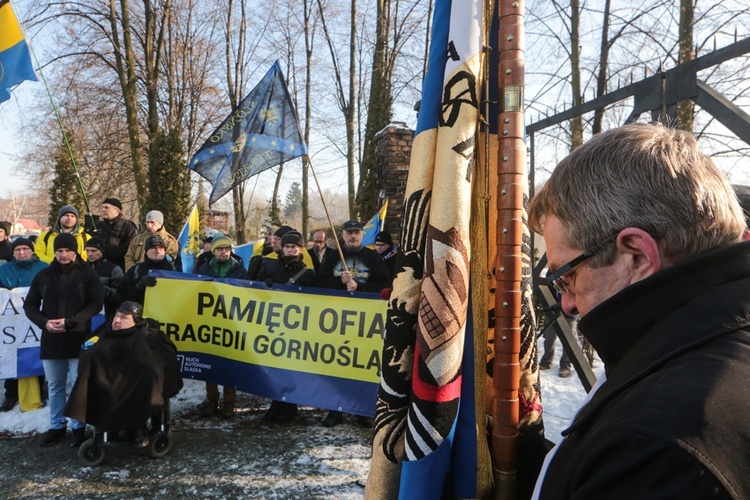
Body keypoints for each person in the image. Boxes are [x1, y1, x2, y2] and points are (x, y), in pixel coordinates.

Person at [527, 123, 750, 499]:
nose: (567, 302)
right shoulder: (710, 348)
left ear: (635, 255)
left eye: (567, 275)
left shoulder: (656, 442)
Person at [64, 301, 183, 448]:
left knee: (146, 381)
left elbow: (159, 363)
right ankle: (113, 427)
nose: (117, 320)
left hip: (136, 388)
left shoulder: (146, 336)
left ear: (136, 321)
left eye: (124, 318)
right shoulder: (104, 332)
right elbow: (88, 350)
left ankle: (138, 427)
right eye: (117, 316)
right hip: (105, 385)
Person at [23, 233, 104, 447]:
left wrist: (72, 321)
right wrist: (45, 322)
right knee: (55, 385)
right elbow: (29, 305)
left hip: (78, 338)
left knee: (79, 384)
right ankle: (57, 426)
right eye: (60, 251)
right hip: (51, 339)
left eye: (68, 250)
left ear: (75, 252)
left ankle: (78, 427)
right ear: (55, 252)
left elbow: (95, 303)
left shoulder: (87, 274)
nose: (64, 254)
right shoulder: (43, 276)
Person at [316, 220, 389, 427]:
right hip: (337, 321)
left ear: (362, 235)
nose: (353, 236)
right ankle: (334, 410)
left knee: (361, 365)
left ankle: (362, 411)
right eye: (349, 233)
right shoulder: (333, 257)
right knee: (336, 365)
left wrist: (360, 285)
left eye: (357, 233)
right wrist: (339, 283)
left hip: (365, 323)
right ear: (343, 235)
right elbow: (320, 284)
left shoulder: (373, 258)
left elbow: (385, 286)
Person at [252, 230, 316, 424]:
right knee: (276, 367)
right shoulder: (270, 265)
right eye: (287, 246)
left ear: (300, 249)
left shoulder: (307, 274)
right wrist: (264, 284)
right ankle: (276, 403)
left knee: (291, 368)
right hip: (272, 325)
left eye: (293, 247)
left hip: (296, 328)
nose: (289, 250)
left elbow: (315, 300)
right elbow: (254, 286)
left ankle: (289, 407)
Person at [195, 235, 246, 419]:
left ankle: (229, 402)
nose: (224, 252)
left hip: (231, 322)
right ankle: (212, 399)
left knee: (229, 363)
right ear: (213, 251)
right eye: (219, 249)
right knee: (210, 361)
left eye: (226, 248)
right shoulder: (204, 268)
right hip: (210, 323)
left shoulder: (239, 270)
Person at [0, 238, 49, 413]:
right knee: (10, 355)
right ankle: (11, 394)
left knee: (35, 353)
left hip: (35, 320)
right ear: (12, 252)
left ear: (32, 251)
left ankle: (40, 392)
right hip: (10, 323)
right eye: (18, 249)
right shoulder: (3, 270)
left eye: (25, 249)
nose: (22, 253)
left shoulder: (44, 268)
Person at [120, 234, 176, 306]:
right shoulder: (135, 271)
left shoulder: (174, 269)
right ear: (146, 252)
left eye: (161, 248)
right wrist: (139, 286)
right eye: (153, 248)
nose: (158, 251)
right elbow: (122, 295)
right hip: (141, 313)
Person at [85, 236, 125, 319]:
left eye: (93, 251)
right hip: (85, 313)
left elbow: (121, 295)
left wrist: (104, 291)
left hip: (107, 313)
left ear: (102, 251)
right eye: (87, 251)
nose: (89, 254)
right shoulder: (81, 268)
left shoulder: (114, 269)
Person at [96, 197, 139, 271]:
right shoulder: (100, 226)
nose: (103, 210)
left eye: (106, 208)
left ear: (116, 211)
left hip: (120, 267)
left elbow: (130, 248)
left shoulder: (129, 226)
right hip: (101, 267)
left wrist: (106, 251)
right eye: (102, 207)